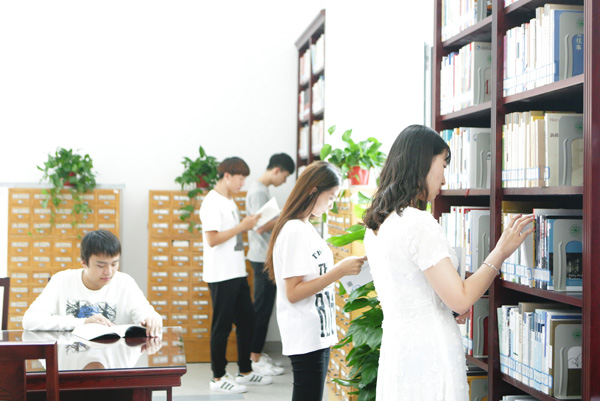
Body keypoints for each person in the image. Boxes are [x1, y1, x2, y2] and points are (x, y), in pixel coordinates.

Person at [361, 125, 534, 401]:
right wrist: (500, 251)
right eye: (443, 164)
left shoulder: (376, 226)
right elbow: (461, 300)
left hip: (398, 351)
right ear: (423, 163)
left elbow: (412, 289)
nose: (444, 177)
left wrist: (443, 305)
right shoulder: (418, 223)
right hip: (430, 352)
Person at [265, 161, 366, 401]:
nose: (331, 205)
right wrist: (338, 271)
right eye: (330, 197)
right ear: (313, 190)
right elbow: (293, 292)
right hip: (306, 332)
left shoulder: (306, 226)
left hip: (318, 331)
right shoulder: (294, 231)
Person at [199, 156, 272, 394]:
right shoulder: (212, 202)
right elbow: (212, 239)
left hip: (237, 272)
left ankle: (245, 371)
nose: (243, 184)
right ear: (227, 176)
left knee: (247, 320)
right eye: (240, 179)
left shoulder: (229, 200)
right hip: (221, 274)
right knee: (222, 326)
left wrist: (246, 225)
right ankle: (218, 377)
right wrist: (242, 226)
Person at [22, 229, 163, 337]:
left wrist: (152, 319)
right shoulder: (62, 280)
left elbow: (147, 313)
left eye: (114, 264)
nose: (109, 272)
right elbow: (30, 320)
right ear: (84, 262)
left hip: (113, 359)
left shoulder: (125, 283)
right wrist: (83, 322)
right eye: (101, 266)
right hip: (71, 360)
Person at [246, 153, 295, 376]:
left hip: (263, 255)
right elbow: (260, 226)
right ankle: (254, 357)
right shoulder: (258, 191)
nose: (284, 182)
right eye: (284, 176)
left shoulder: (261, 190)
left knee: (264, 308)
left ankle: (256, 353)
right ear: (276, 170)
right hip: (261, 257)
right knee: (262, 309)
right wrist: (287, 215)